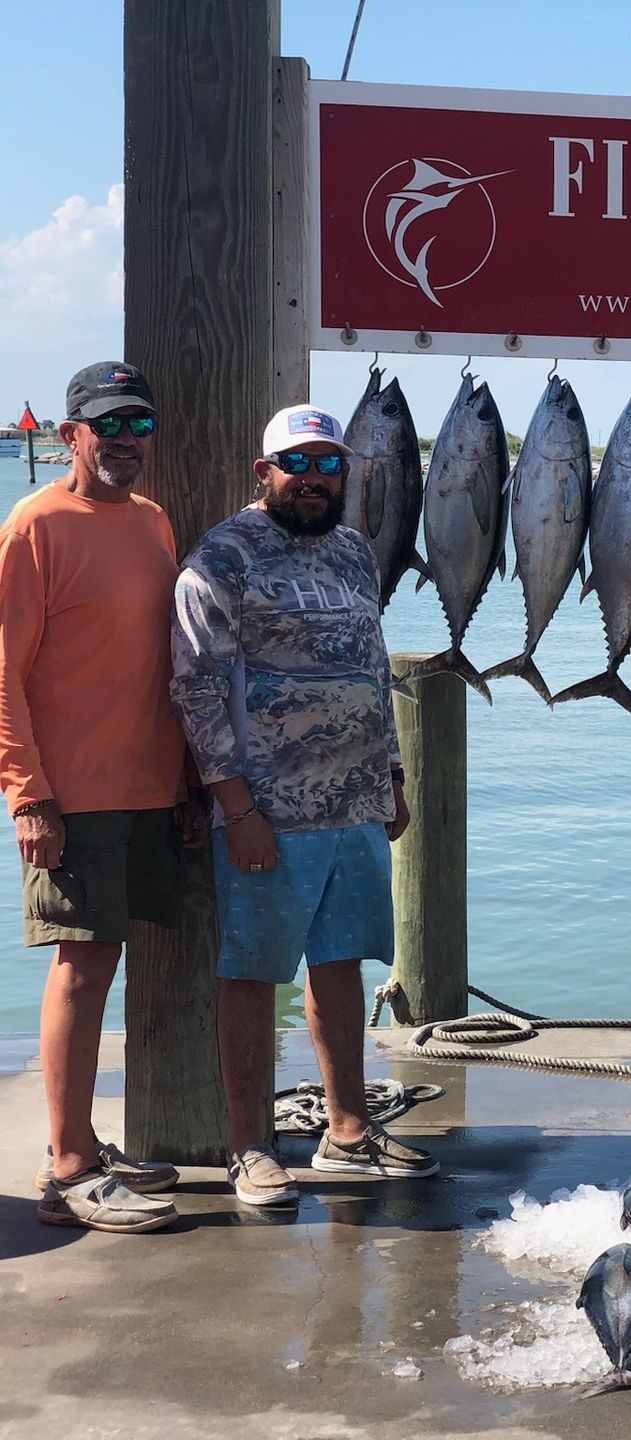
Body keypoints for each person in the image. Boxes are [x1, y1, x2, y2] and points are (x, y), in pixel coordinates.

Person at [171, 403, 434, 1209]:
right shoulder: (224, 554)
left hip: (354, 803)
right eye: (299, 465)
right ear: (266, 472)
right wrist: (235, 804)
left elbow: (370, 660)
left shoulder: (355, 550)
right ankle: (248, 1144)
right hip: (269, 813)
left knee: (341, 963)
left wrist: (391, 771)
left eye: (329, 466)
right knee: (251, 972)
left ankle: (348, 1131)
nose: (315, 480)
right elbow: (195, 684)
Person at [0, 361, 201, 1233]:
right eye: (108, 427)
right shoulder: (34, 525)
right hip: (70, 792)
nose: (126, 442)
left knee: (110, 957)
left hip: (151, 785)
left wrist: (190, 781)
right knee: (80, 966)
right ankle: (70, 1171)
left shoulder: (155, 523)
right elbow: (2, 673)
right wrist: (27, 792)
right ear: (69, 434)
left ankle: (83, 1139)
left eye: (140, 427)